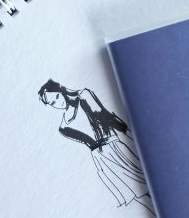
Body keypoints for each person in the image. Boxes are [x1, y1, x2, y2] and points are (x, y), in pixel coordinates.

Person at [37, 78, 153, 213]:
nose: (58, 102)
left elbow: (108, 117)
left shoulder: (83, 95)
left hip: (114, 147)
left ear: (60, 90)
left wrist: (131, 136)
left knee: (146, 184)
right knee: (135, 195)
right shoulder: (63, 127)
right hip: (101, 160)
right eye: (52, 103)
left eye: (57, 96)